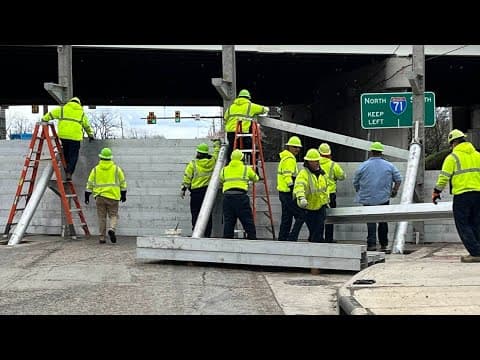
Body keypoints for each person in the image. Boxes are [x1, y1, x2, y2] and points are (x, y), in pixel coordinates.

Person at [432, 129, 480, 263]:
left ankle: (476, 253)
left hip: (462, 195)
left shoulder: (452, 157)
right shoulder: (477, 155)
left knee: (463, 224)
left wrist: (436, 191)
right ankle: (478, 250)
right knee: (476, 223)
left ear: (453, 143)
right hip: (478, 194)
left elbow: (443, 177)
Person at [353, 142, 402, 251]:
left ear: (371, 152)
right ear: (381, 153)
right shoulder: (389, 166)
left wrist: (360, 191)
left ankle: (371, 244)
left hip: (367, 199)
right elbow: (398, 179)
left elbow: (355, 181)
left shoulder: (363, 166)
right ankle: (384, 244)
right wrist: (394, 190)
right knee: (383, 221)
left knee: (370, 221)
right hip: (383, 198)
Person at [42, 97, 95, 181]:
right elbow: (87, 126)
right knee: (73, 155)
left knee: (66, 153)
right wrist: (90, 135)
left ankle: (65, 168)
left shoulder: (62, 109)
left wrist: (44, 119)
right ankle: (69, 172)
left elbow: (51, 114)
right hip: (75, 138)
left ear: (70, 102)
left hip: (64, 136)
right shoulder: (81, 113)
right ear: (79, 104)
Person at [84, 148, 127, 244]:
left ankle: (102, 237)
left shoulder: (95, 169)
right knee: (113, 215)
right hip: (113, 197)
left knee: (101, 217)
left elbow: (90, 183)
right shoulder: (116, 169)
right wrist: (123, 194)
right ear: (110, 158)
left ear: (101, 157)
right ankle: (111, 229)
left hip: (100, 197)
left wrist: (87, 195)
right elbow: (123, 182)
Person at [181, 139, 221, 237]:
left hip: (196, 193)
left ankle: (196, 233)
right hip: (208, 193)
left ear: (198, 153)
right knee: (207, 214)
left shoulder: (193, 164)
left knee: (195, 213)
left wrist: (183, 188)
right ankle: (207, 234)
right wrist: (216, 143)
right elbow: (217, 153)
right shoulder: (213, 161)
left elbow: (187, 177)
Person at [220, 149, 259, 239]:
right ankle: (252, 240)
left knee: (229, 222)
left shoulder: (224, 170)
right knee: (247, 221)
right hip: (241, 197)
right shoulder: (246, 169)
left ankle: (226, 243)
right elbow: (256, 178)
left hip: (227, 198)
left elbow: (221, 179)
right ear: (242, 159)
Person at [293, 148, 330, 242]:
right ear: (308, 162)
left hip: (320, 206)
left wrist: (326, 201)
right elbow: (299, 186)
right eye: (314, 161)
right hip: (308, 208)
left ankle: (317, 248)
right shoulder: (303, 174)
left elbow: (325, 188)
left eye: (318, 161)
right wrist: (301, 198)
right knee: (314, 232)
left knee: (319, 231)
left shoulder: (321, 173)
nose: (317, 163)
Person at [223, 89, 269, 163]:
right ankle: (254, 169)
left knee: (232, 151)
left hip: (231, 133)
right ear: (248, 98)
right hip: (243, 134)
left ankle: (229, 166)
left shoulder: (231, 107)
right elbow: (265, 109)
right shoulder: (250, 106)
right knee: (252, 151)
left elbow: (225, 119)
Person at [277, 135, 305, 241]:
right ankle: (292, 238)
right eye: (295, 147)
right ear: (289, 147)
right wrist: (293, 188)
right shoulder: (289, 159)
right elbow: (287, 176)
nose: (297, 149)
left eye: (298, 147)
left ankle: (283, 238)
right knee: (301, 215)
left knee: (287, 217)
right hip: (288, 193)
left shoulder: (285, 158)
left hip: (283, 193)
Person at [319, 143, 346, 243]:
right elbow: (342, 176)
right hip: (330, 194)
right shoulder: (333, 165)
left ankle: (317, 237)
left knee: (317, 216)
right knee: (330, 217)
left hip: (318, 194)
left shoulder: (315, 163)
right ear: (329, 154)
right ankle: (328, 238)